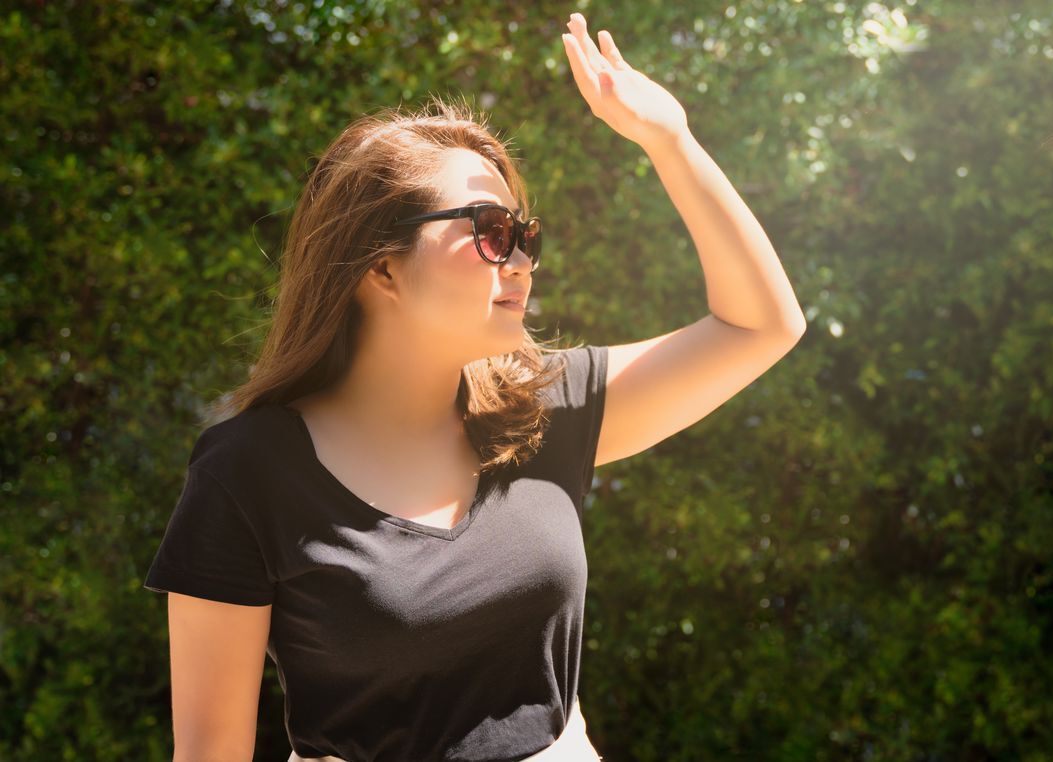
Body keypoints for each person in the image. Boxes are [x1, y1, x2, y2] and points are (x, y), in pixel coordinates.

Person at [146, 11, 805, 761]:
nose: (521, 260)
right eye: (491, 232)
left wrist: (670, 140)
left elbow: (762, 326)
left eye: (526, 236)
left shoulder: (547, 410)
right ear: (381, 266)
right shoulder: (248, 471)